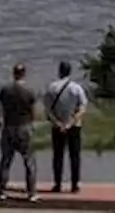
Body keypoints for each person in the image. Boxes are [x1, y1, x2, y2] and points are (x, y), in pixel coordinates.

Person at [0, 62, 39, 202]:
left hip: (9, 127)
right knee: (29, 161)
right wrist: (33, 124)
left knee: (5, 161)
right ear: (24, 73)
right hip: (24, 127)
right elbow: (32, 110)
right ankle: (31, 192)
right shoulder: (29, 90)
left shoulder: (5, 90)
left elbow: (1, 108)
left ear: (13, 73)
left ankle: (2, 190)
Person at [44, 61, 88, 194]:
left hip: (57, 126)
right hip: (74, 126)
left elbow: (47, 110)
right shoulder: (76, 88)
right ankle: (75, 185)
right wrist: (71, 122)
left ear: (59, 71)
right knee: (75, 156)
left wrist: (57, 123)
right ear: (70, 72)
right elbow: (82, 107)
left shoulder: (52, 87)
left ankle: (57, 184)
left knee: (58, 156)